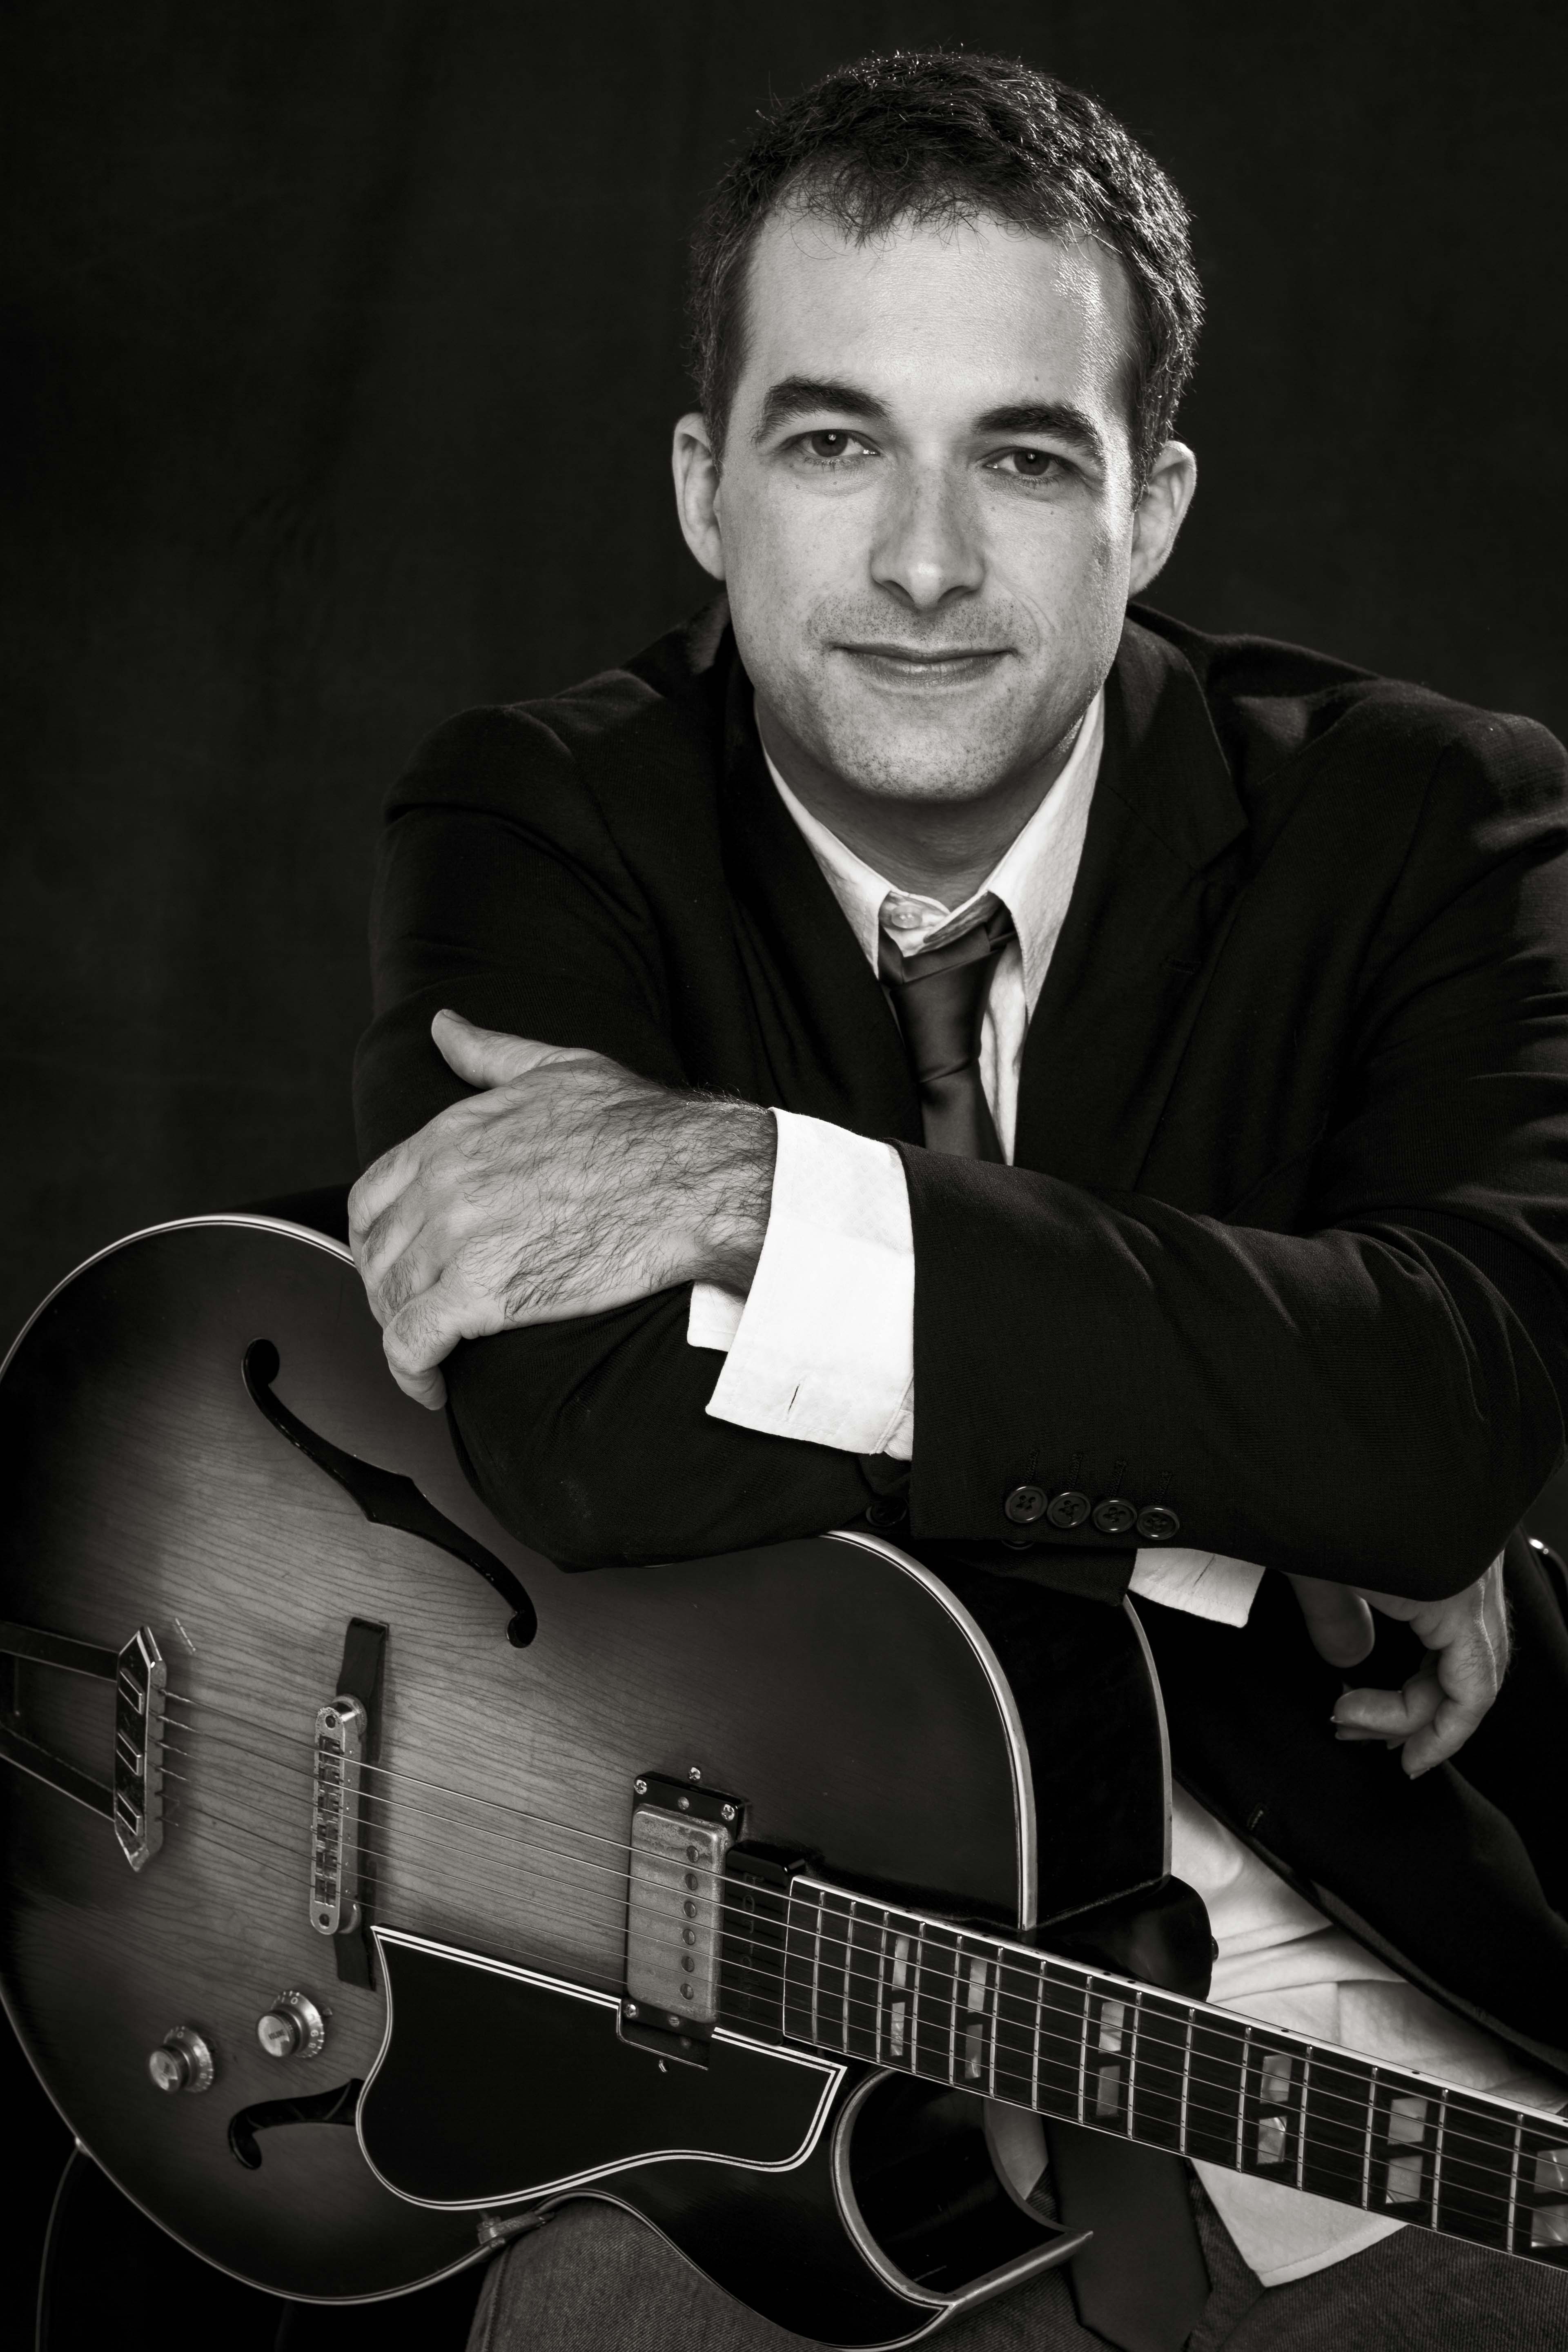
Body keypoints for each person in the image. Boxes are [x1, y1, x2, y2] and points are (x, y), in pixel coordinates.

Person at [348, 51, 1568, 2352]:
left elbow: (1453, 1414)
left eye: (1024, 456)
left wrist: (753, 1195)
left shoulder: (1437, 823)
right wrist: (1254, 1498)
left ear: (1153, 506)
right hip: (790, 2042)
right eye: (835, 445)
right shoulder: (543, 821)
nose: (924, 563)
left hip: (1361, 2025)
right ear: (706, 490)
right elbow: (578, 1439)